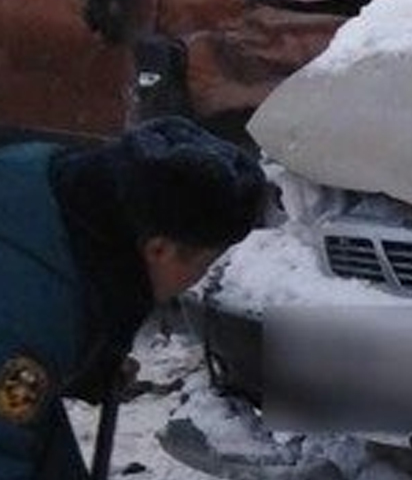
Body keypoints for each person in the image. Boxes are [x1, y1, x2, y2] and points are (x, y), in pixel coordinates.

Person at [0, 117, 267, 480]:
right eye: (205, 263)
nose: (197, 280)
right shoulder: (28, 323)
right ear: (160, 249)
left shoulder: (49, 185)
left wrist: (94, 355)